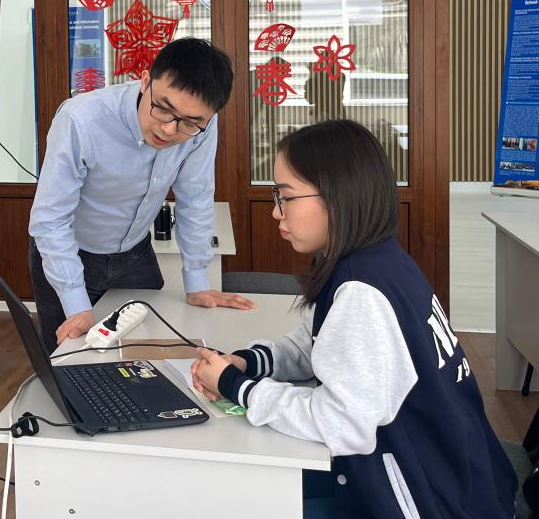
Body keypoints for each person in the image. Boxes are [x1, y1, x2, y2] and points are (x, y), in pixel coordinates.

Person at [190, 120, 516, 518]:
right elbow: (314, 347)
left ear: (337, 197)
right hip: (447, 477)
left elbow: (342, 423)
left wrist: (234, 385)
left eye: (286, 196)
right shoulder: (373, 260)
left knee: (233, 497)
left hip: (424, 500)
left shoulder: (362, 291)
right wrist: (246, 363)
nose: (275, 211)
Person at [28, 37, 254, 352]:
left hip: (135, 254)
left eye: (190, 123)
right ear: (145, 81)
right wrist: (76, 302)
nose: (170, 130)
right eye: (163, 109)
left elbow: (195, 197)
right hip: (70, 253)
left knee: (146, 351)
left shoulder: (201, 126)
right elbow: (50, 219)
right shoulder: (81, 120)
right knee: (71, 358)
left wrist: (197, 282)